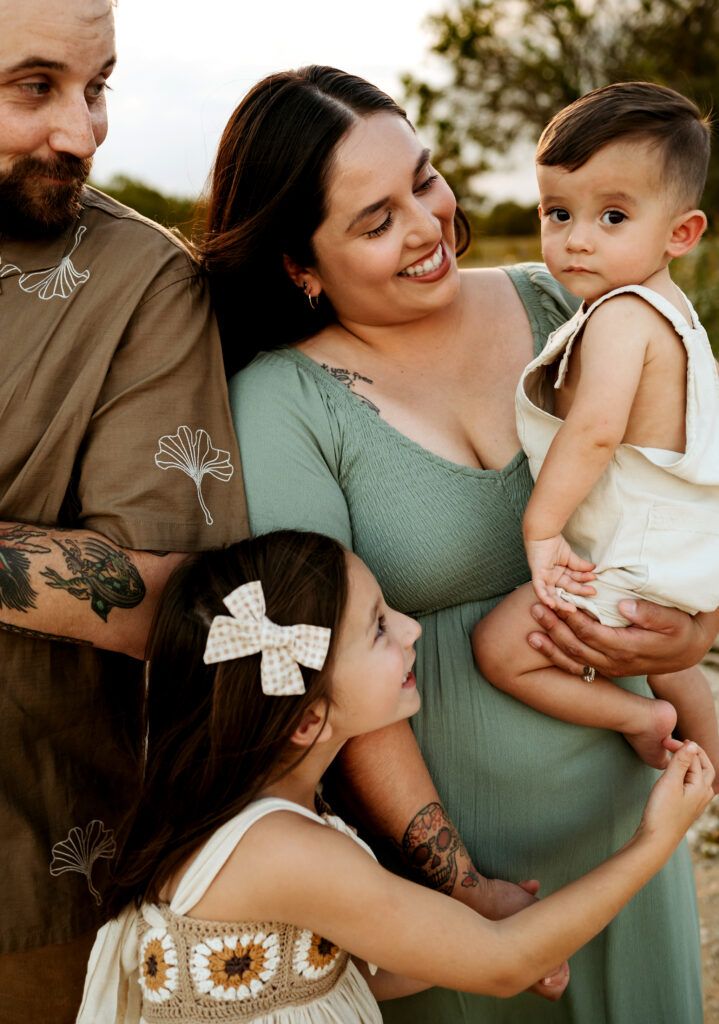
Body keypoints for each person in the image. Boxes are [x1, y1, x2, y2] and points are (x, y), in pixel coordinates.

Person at [212, 67, 719, 1022]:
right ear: (298, 263)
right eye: (374, 221)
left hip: (629, 817)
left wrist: (691, 640)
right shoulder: (282, 404)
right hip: (460, 868)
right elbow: (325, 663)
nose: (427, 224)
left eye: (425, 178)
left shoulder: (565, 302)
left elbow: (681, 484)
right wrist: (453, 880)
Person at [75, 529, 714, 1024]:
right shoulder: (280, 849)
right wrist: (653, 842)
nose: (410, 629)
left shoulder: (266, 822)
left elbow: (328, 971)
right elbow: (501, 965)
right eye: (379, 627)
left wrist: (477, 942)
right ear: (308, 721)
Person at [0, 1, 246, 1020]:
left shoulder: (142, 285)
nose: (83, 131)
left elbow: (171, 596)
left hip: (30, 883)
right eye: (33, 88)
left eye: (97, 87)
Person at [473, 82, 719, 785]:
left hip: (625, 554)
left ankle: (635, 720)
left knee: (499, 648)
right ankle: (707, 770)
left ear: (680, 233)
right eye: (557, 212)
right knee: (672, 664)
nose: (575, 238)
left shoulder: (620, 318)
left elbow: (593, 432)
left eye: (612, 215)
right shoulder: (674, 314)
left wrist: (540, 527)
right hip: (666, 551)